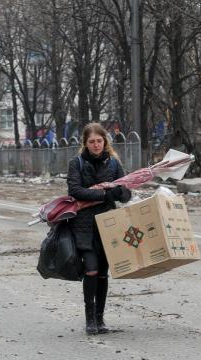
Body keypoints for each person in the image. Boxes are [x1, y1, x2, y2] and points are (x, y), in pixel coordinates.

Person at [66, 123, 131, 335]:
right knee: (91, 270)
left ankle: (100, 319)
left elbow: (126, 192)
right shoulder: (77, 163)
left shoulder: (113, 163)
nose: (96, 145)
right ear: (85, 143)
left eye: (99, 141)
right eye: (91, 141)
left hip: (108, 224)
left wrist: (119, 192)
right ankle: (89, 319)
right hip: (84, 225)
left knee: (103, 273)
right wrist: (105, 194)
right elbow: (75, 191)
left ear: (105, 142)